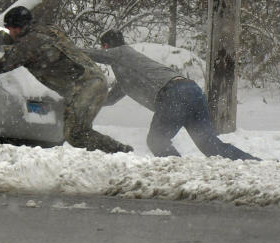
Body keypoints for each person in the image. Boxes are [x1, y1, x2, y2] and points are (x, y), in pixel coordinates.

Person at [0, 6, 133, 153]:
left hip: (85, 87)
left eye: (9, 29)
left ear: (17, 28)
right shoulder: (47, 29)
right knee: (79, 130)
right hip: (95, 80)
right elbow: (27, 42)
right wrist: (2, 38)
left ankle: (120, 151)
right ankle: (114, 154)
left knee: (75, 134)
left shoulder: (28, 44)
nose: (9, 33)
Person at [83, 30, 257, 160]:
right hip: (191, 90)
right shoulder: (126, 75)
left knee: (156, 140)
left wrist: (66, 48)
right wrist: (85, 101)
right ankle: (255, 164)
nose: (103, 50)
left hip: (174, 95)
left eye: (103, 47)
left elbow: (94, 55)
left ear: (106, 46)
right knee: (210, 145)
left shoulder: (122, 52)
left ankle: (178, 172)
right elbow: (110, 99)